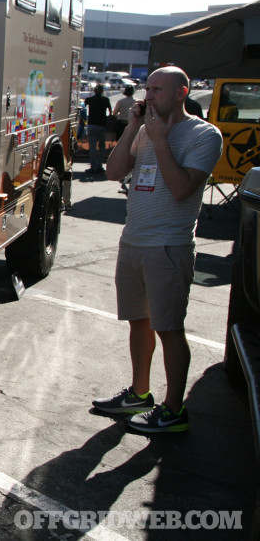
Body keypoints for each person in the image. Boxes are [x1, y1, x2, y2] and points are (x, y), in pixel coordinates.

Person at [93, 66, 222, 433]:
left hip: (168, 246)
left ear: (182, 93)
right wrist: (133, 129)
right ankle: (139, 393)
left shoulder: (203, 135)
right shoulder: (143, 130)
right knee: (139, 322)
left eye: (158, 90)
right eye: (147, 89)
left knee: (169, 329)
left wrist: (161, 140)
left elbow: (182, 189)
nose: (149, 96)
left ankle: (174, 409)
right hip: (133, 241)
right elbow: (114, 172)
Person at [84, 84, 112, 173]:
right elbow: (110, 111)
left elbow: (83, 109)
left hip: (92, 125)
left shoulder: (89, 99)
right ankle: (100, 165)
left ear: (94, 91)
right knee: (102, 146)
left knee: (92, 147)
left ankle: (93, 166)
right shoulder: (106, 99)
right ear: (102, 91)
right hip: (102, 126)